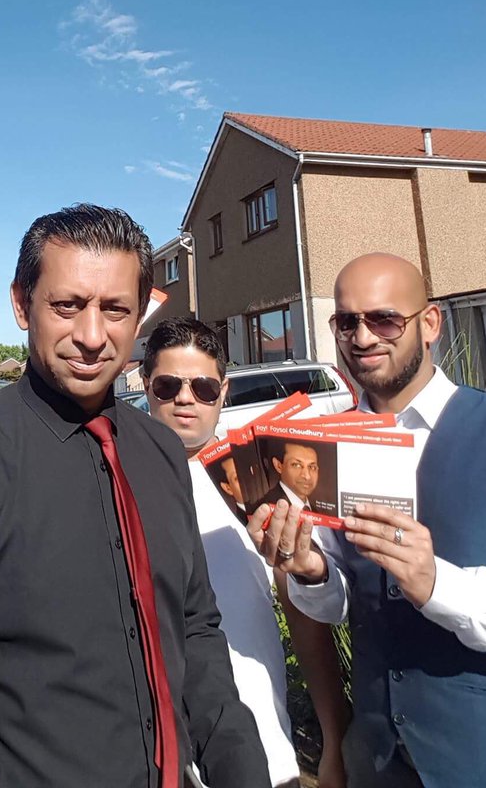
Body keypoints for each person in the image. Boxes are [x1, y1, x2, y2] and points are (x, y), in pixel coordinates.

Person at [0, 204, 269, 788]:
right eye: (67, 306)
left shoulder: (162, 453)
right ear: (22, 304)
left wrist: (241, 771)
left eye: (115, 309)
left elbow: (194, 629)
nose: (92, 337)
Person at [250, 252, 486, 788]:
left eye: (384, 319)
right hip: (375, 758)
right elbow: (339, 602)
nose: (362, 338)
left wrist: (437, 584)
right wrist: (311, 572)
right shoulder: (325, 445)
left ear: (429, 323)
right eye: (346, 322)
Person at [143, 317, 348, 788]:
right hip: (152, 758)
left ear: (224, 391)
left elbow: (307, 618)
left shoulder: (255, 484)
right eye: (169, 386)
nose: (185, 399)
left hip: (260, 750)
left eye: (203, 388)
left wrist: (334, 737)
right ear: (146, 385)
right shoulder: (117, 484)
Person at [258, 441, 320, 509]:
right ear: (278, 466)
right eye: (296, 465)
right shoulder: (262, 507)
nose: (307, 476)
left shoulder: (315, 511)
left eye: (312, 467)